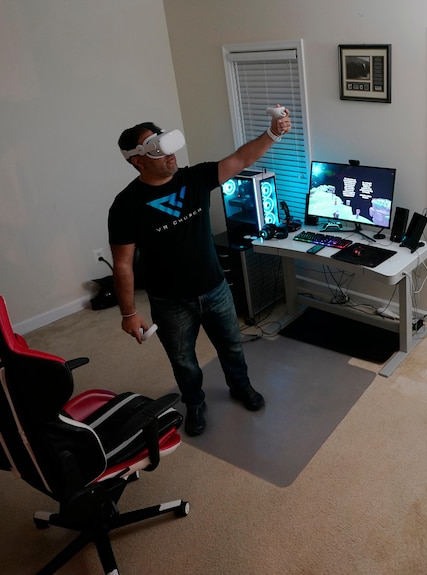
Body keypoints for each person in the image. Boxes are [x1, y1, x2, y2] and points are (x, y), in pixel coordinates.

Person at [108, 107, 291, 436]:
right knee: (183, 361)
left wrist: (273, 133)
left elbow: (241, 160)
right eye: (158, 150)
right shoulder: (125, 205)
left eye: (168, 145)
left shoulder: (194, 179)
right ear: (138, 160)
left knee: (232, 346)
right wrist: (128, 313)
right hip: (169, 301)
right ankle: (194, 402)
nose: (170, 155)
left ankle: (240, 387)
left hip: (215, 288)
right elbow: (122, 263)